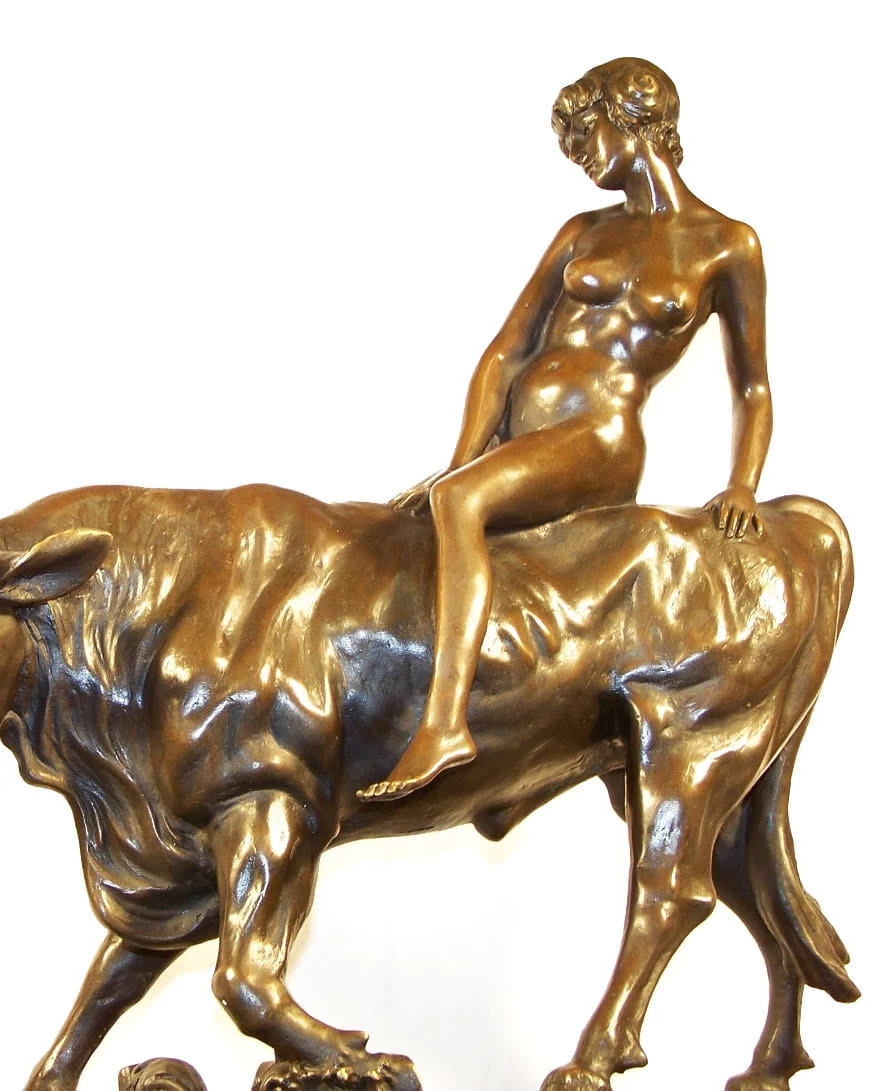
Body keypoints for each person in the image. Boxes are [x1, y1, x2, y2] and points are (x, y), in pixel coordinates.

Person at [359, 58, 772, 802]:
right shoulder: (582, 232)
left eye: (588, 134)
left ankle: (445, 724)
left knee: (457, 503)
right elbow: (505, 352)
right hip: (525, 440)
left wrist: (742, 482)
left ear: (636, 118)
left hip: (599, 437)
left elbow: (753, 386)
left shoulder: (726, 244)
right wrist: (463, 459)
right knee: (428, 511)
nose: (580, 153)